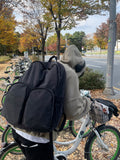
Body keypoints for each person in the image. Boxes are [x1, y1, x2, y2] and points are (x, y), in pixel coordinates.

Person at [12, 45, 93, 160]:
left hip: (18, 128)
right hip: (37, 137)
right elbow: (73, 112)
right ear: (80, 66)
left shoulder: (52, 66)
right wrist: (87, 103)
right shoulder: (70, 74)